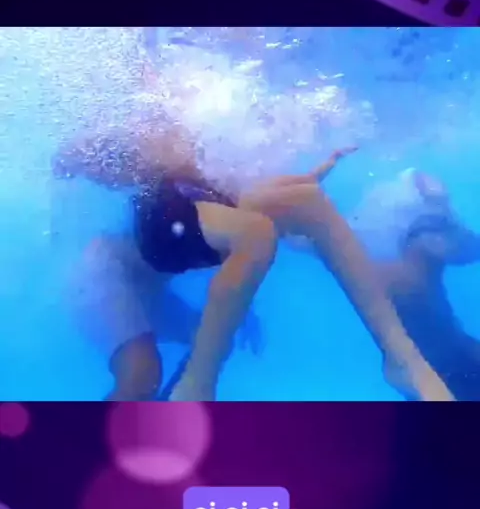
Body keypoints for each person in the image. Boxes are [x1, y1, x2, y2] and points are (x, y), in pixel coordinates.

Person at [53, 127, 453, 402]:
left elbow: (293, 217)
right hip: (107, 274)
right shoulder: (162, 143)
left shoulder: (222, 179)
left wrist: (240, 297)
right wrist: (94, 153)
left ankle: (403, 359)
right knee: (142, 375)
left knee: (299, 209)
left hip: (155, 280)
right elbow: (73, 157)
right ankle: (182, 397)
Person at [366, 170, 480, 401]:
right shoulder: (394, 277)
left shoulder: (425, 267)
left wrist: (441, 205)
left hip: (450, 357)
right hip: (430, 371)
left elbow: (469, 248)